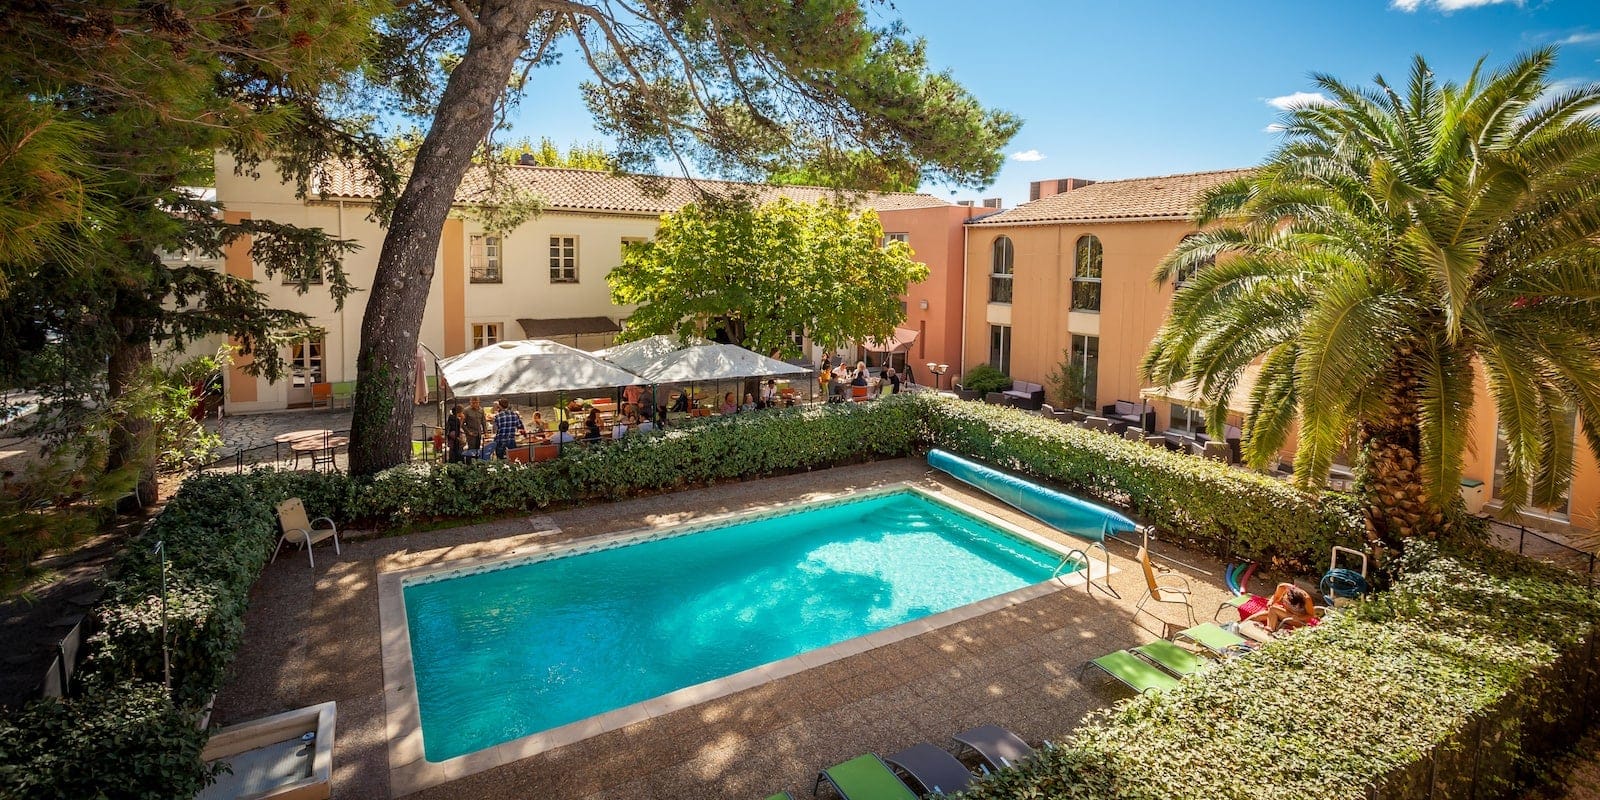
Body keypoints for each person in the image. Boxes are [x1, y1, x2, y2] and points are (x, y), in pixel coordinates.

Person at [1246, 583, 1318, 632]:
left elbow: (1311, 615)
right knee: (1256, 617)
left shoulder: (1306, 599)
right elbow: (1276, 597)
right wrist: (1271, 601)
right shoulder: (1283, 587)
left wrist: (1299, 618)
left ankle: (1270, 629)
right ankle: (1240, 626)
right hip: (1284, 614)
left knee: (1273, 609)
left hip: (1296, 620)